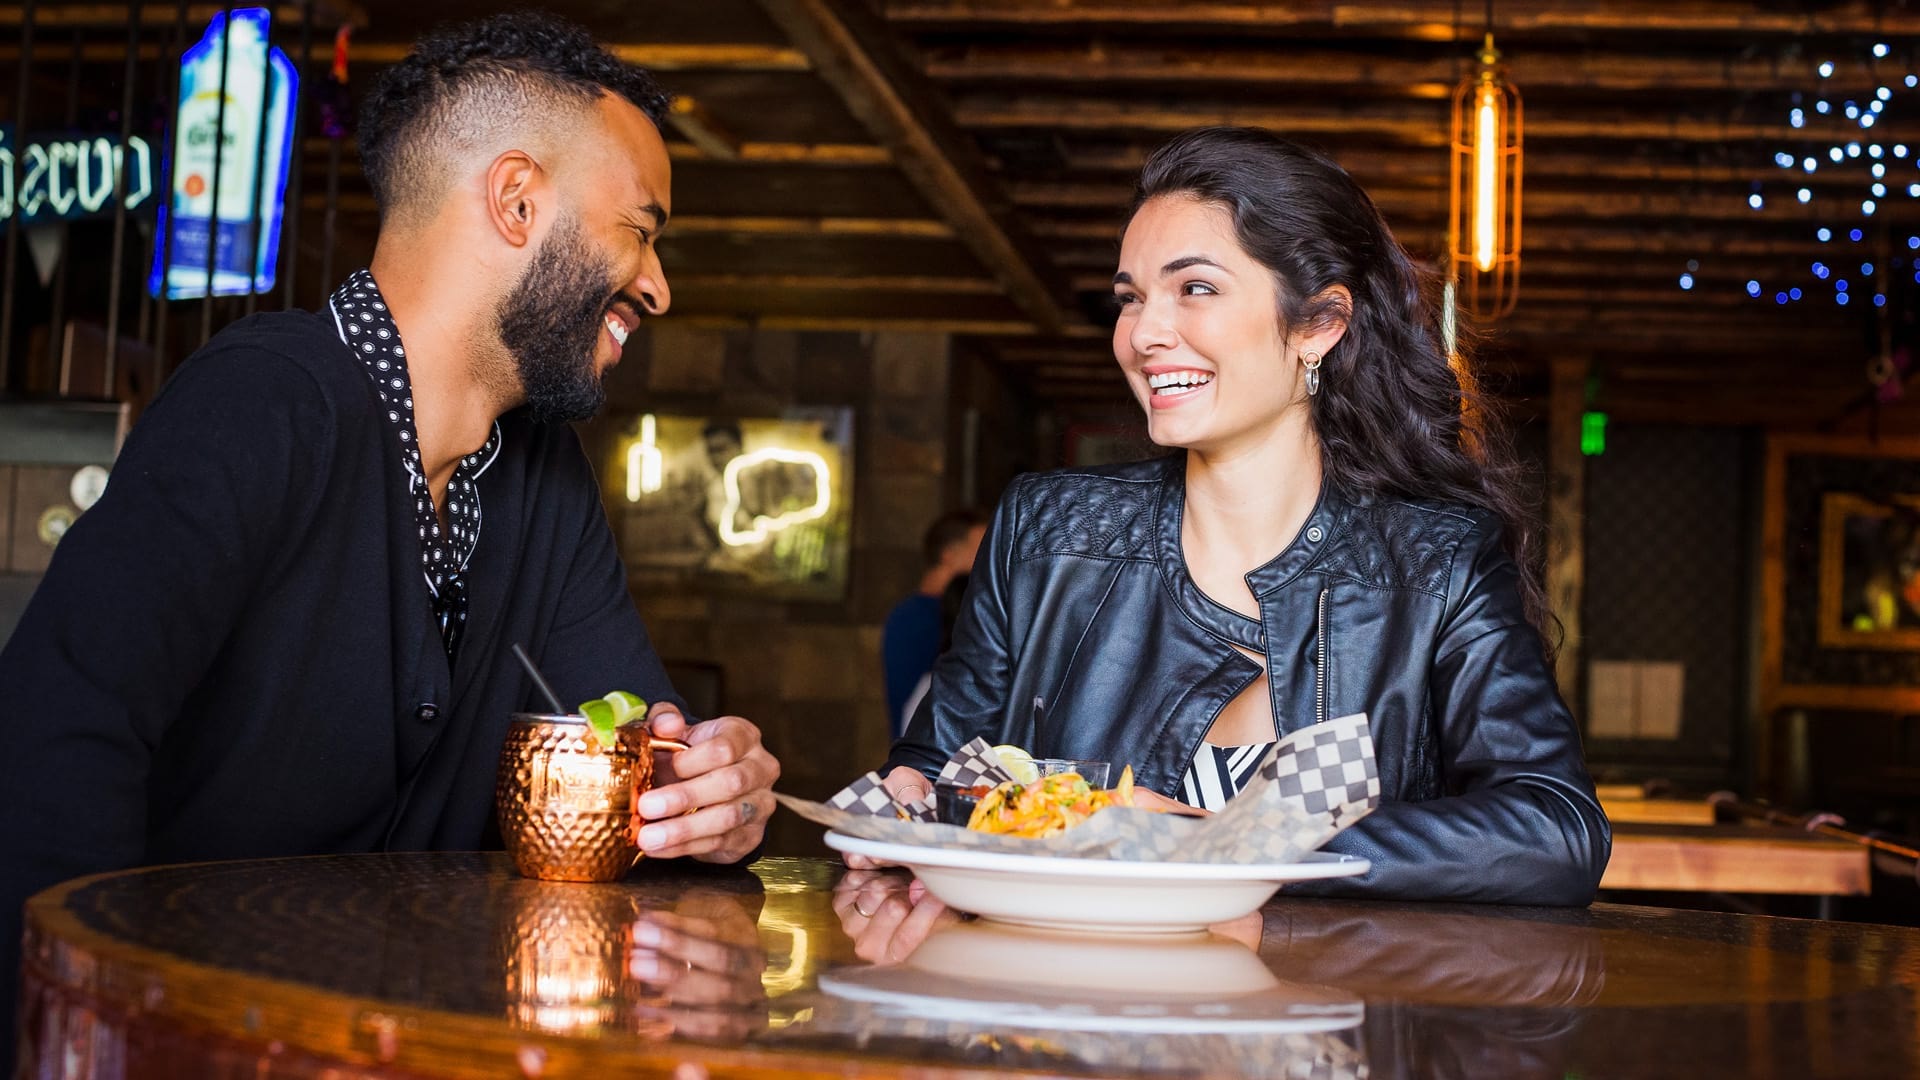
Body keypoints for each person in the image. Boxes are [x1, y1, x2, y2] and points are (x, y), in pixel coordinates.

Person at [0, 13, 780, 1051]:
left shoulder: (548, 481)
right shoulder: (266, 401)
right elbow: (55, 733)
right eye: (641, 230)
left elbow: (634, 767)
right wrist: (87, 1036)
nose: (657, 284)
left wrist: (709, 805)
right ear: (517, 200)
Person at [876, 127, 1609, 905]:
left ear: (1318, 326)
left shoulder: (1438, 565)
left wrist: (1218, 846)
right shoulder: (1046, 534)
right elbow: (933, 783)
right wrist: (902, 813)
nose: (1144, 334)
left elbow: (1554, 829)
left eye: (1195, 288)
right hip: (1064, 1013)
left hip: (1335, 1021)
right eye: (1131, 297)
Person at [881, 509, 987, 738]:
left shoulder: (903, 615)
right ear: (948, 555)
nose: (989, 560)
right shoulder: (917, 618)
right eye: (981, 549)